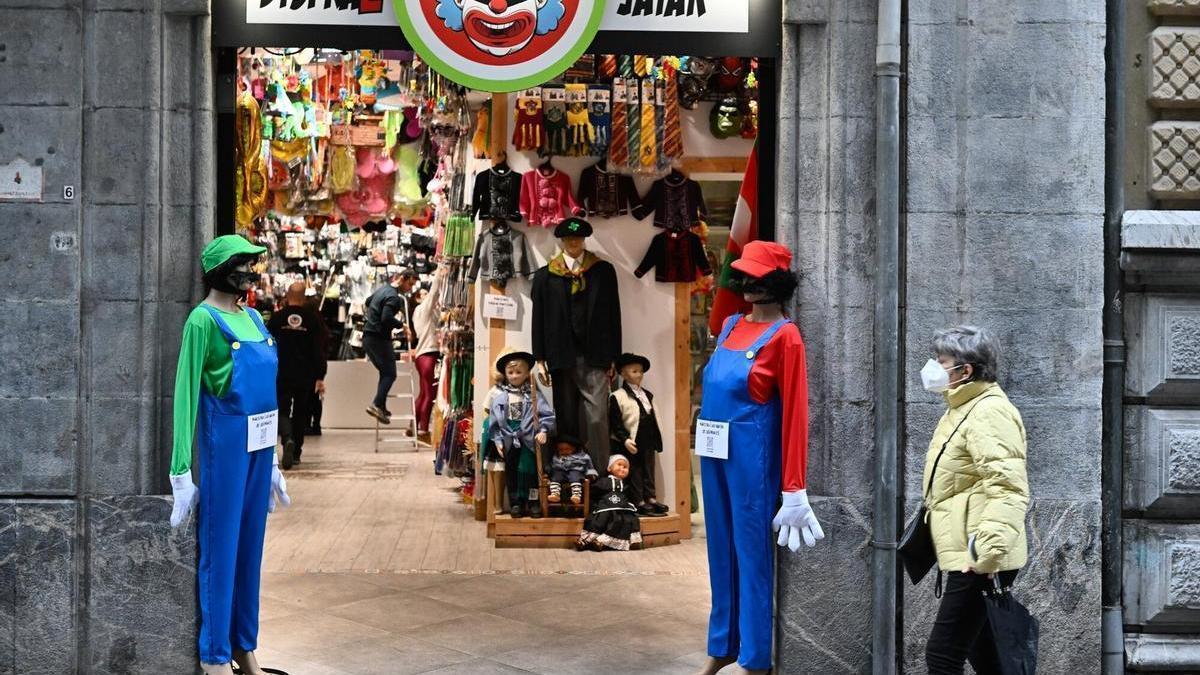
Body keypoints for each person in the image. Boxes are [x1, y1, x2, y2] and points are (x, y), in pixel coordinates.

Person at [695, 241, 823, 675]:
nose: (748, 284)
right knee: (719, 549)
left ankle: (753, 656)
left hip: (752, 454)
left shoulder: (785, 337)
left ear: (778, 283)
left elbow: (795, 415)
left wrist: (794, 487)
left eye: (758, 277)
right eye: (744, 275)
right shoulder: (730, 325)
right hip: (713, 448)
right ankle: (722, 644)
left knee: (751, 553)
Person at [168, 235, 290, 675]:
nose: (249, 272)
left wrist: (274, 458)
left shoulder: (254, 318)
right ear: (220, 269)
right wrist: (181, 470)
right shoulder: (202, 322)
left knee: (250, 549)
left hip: (259, 445)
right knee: (220, 549)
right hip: (226, 447)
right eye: (241, 264)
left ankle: (244, 644)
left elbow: (268, 394)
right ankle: (215, 653)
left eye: (252, 264)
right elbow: (185, 395)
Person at [918, 326, 1030, 675]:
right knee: (989, 659)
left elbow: (1008, 486)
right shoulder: (963, 408)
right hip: (970, 551)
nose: (933, 369)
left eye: (941, 362)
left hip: (979, 555)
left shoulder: (988, 412)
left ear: (965, 370)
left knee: (942, 656)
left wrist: (987, 553)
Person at [485, 349, 556, 518]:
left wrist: (544, 430)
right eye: (511, 372)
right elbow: (494, 423)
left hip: (529, 438)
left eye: (519, 372)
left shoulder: (534, 396)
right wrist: (498, 441)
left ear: (526, 374)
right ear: (505, 374)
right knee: (512, 471)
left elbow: (547, 414)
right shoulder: (501, 398)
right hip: (510, 438)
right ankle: (516, 502)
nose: (515, 376)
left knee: (531, 471)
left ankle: (533, 502)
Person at [268, 281, 328, 470]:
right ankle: (296, 453)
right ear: (303, 298)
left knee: (282, 409)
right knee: (301, 412)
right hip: (305, 374)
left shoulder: (277, 319)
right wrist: (320, 376)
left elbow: (267, 346)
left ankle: (287, 440)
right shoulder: (312, 320)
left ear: (286, 295)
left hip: (281, 372)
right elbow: (319, 349)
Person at [609, 353, 668, 516]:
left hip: (648, 438)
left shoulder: (648, 395)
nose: (639, 375)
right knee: (635, 470)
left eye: (640, 371)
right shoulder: (618, 396)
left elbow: (654, 416)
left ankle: (651, 497)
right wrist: (625, 439)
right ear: (623, 374)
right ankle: (638, 500)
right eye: (634, 371)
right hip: (632, 440)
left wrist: (657, 436)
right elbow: (616, 423)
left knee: (649, 468)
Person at [362, 269, 417, 424]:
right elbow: (386, 318)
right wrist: (403, 325)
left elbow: (368, 301)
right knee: (390, 374)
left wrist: (373, 315)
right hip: (378, 338)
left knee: (385, 372)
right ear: (403, 279)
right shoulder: (394, 297)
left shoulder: (383, 290)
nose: (410, 288)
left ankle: (381, 405)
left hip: (370, 337)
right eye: (410, 284)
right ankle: (375, 404)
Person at [410, 269, 445, 442]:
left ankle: (413, 427)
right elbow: (434, 290)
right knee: (429, 394)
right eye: (422, 294)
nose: (426, 296)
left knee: (423, 393)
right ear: (418, 298)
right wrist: (440, 271)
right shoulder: (423, 310)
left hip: (422, 356)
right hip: (428, 356)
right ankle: (423, 430)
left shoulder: (422, 315)